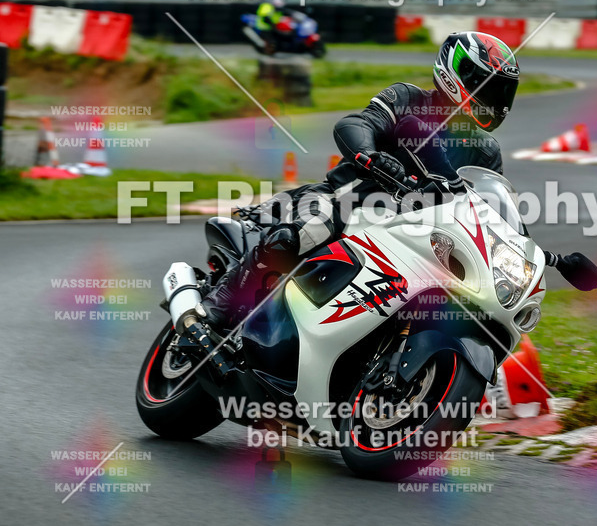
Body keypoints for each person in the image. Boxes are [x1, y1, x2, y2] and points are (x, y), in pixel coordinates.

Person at [194, 32, 526, 331]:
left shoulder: (486, 153)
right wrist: (370, 155)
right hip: (351, 201)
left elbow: (491, 213)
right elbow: (357, 123)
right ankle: (219, 306)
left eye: (502, 92)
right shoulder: (407, 98)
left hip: (418, 237)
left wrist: (526, 249)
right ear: (458, 75)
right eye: (490, 89)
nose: (496, 102)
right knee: (306, 231)